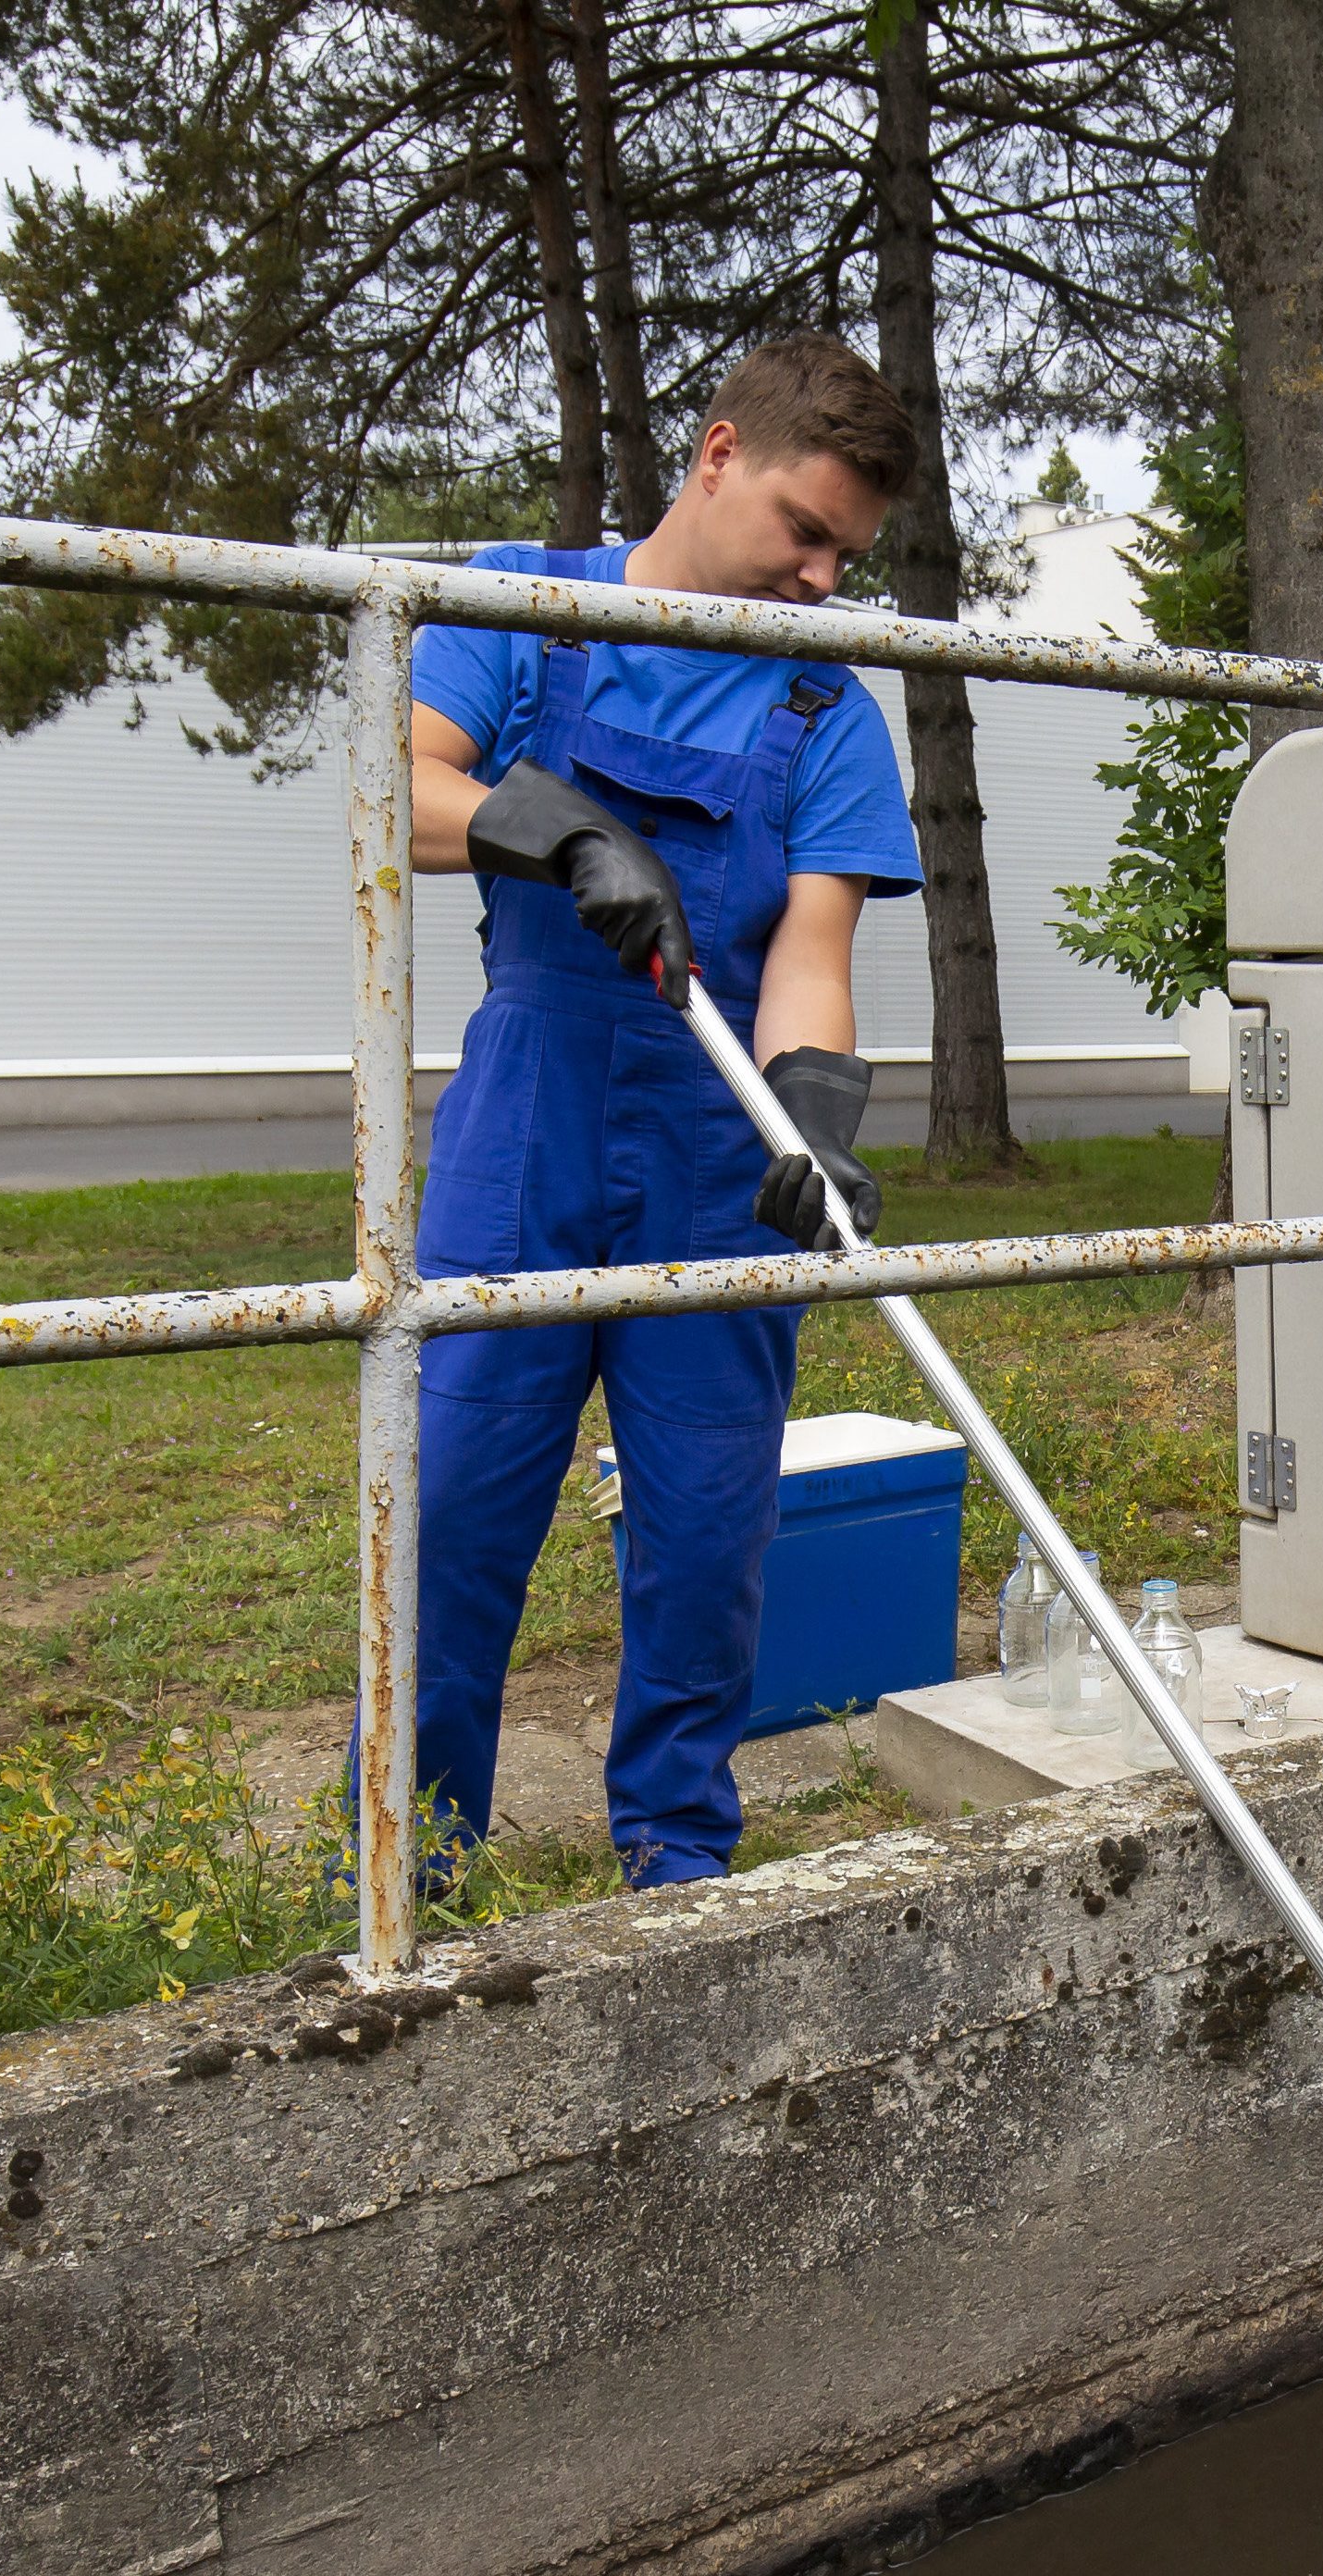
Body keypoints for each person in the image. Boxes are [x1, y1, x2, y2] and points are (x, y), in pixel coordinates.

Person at [404, 336, 924, 1889]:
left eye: (847, 553)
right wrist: (555, 825)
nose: (825, 577)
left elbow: (811, 955)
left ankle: (679, 1865)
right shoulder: (524, 607)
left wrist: (812, 1124)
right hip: (528, 1127)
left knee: (707, 1536)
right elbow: (396, 785)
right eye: (805, 531)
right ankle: (409, 1863)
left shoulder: (826, 707)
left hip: (716, 1140)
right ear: (716, 456)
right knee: (452, 1518)